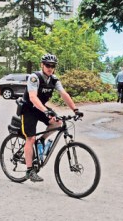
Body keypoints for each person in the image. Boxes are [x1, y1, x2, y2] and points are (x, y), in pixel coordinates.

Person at [21, 54, 83, 182]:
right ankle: (29, 170)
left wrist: (75, 109)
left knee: (58, 122)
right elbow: (33, 97)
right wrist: (46, 111)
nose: (50, 68)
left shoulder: (54, 80)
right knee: (30, 138)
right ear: (42, 65)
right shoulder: (34, 78)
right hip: (28, 109)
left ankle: (42, 140)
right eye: (47, 65)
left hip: (41, 108)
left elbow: (63, 94)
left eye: (52, 66)